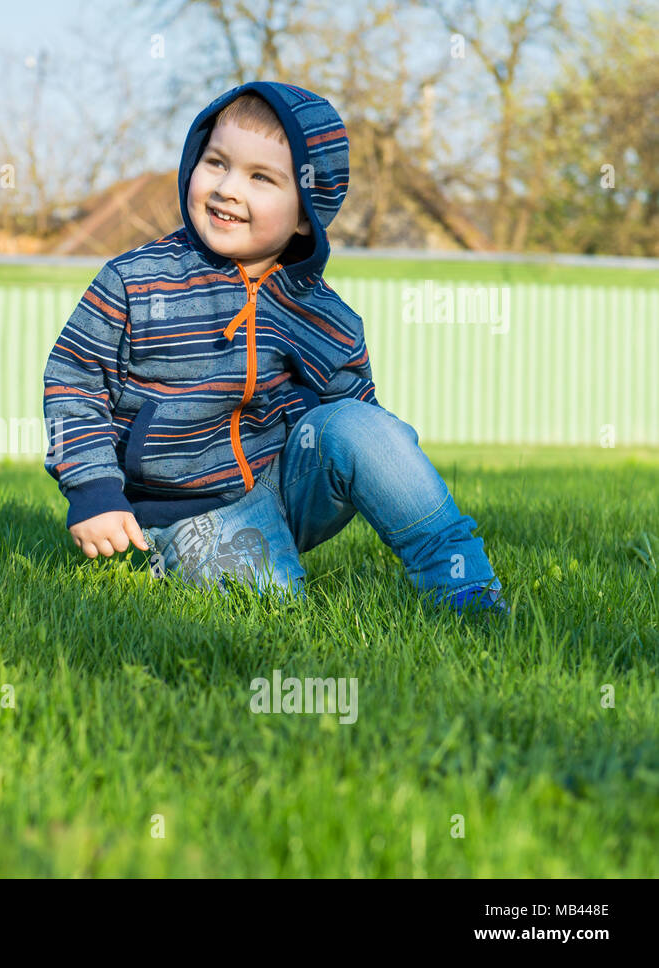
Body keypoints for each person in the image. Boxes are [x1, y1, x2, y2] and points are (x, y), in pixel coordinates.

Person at [42, 81, 507, 617]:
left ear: (306, 211)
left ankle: (463, 585)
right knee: (275, 618)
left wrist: (379, 449)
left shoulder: (319, 309)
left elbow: (355, 410)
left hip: (284, 485)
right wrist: (94, 489)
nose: (227, 189)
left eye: (260, 177)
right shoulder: (137, 281)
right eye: (216, 163)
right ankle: (183, 562)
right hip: (185, 505)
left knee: (362, 425)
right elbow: (72, 382)